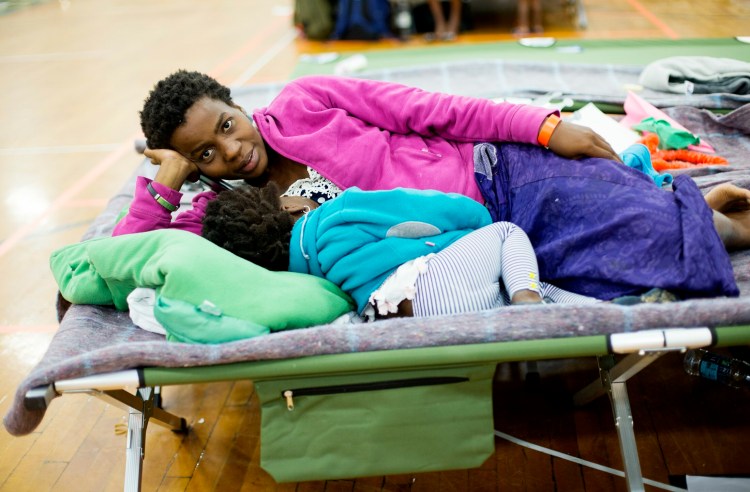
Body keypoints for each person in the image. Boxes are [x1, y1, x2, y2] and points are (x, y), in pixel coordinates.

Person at [114, 70, 750, 301]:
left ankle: (695, 211)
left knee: (662, 237)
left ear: (237, 104)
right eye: (206, 154)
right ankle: (685, 210)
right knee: (620, 272)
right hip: (478, 246)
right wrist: (165, 183)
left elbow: (432, 108)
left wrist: (543, 124)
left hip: (499, 176)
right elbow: (118, 261)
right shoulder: (230, 217)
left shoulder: (308, 100)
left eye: (227, 125)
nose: (232, 150)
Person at [201, 183, 599, 319]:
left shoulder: (299, 277)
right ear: (288, 207)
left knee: (513, 287)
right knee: (506, 236)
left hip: (409, 316)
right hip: (429, 283)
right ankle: (529, 304)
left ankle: (599, 314)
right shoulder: (334, 214)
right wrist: (477, 219)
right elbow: (416, 211)